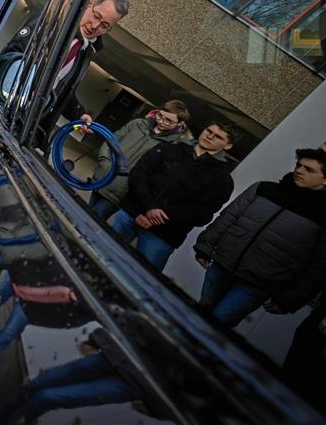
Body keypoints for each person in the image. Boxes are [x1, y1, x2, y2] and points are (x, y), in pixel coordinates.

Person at [194, 147, 326, 327]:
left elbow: (319, 266)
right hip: (223, 265)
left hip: (258, 284)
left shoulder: (323, 216)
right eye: (299, 165)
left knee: (219, 322)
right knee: (200, 311)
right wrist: (205, 245)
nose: (299, 171)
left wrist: (290, 299)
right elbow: (229, 216)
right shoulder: (264, 188)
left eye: (309, 169)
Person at [2, 0, 129, 145]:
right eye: (96, 16)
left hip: (28, 130)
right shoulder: (51, 22)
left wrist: (79, 114)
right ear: (90, 6)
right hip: (3, 108)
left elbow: (62, 91)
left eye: (104, 26)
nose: (95, 26)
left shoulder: (86, 53)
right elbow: (10, 56)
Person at [111, 122, 238, 271]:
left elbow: (201, 213)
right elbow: (139, 174)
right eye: (208, 130)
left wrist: (157, 217)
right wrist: (149, 207)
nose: (209, 136)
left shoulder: (222, 179)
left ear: (227, 145)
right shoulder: (169, 148)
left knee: (142, 277)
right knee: (99, 251)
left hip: (164, 234)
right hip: (131, 213)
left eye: (217, 137)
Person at [89, 99, 191, 220]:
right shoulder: (137, 124)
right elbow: (111, 141)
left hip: (121, 192)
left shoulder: (173, 146)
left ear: (179, 124)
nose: (161, 121)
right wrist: (105, 161)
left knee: (91, 220)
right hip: (101, 178)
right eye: (160, 115)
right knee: (82, 212)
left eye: (168, 120)